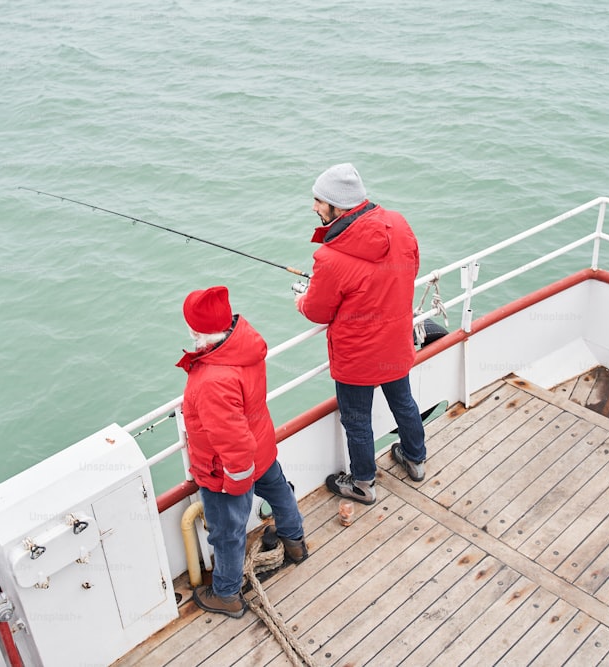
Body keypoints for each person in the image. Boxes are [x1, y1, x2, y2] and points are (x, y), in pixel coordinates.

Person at [294, 163, 427, 506]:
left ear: (338, 207)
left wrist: (302, 299)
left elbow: (317, 311)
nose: (314, 207)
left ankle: (364, 483)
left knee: (357, 420)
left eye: (319, 201)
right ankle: (415, 459)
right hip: (395, 343)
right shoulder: (398, 224)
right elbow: (412, 266)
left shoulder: (329, 257)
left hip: (357, 357)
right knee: (404, 402)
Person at [176, 285, 307, 619]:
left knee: (227, 532)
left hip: (227, 470)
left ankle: (227, 594)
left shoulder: (210, 381)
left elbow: (231, 442)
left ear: (196, 330)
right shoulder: (243, 346)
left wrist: (236, 485)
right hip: (260, 446)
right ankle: (295, 543)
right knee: (279, 492)